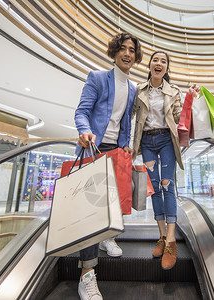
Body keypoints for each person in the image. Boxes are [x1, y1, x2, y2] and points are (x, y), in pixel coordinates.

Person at [74, 32, 142, 300]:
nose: (127, 53)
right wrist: (84, 130)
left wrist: (126, 144)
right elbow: (82, 111)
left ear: (136, 57)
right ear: (114, 52)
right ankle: (87, 275)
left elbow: (126, 122)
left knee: (113, 204)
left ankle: (106, 237)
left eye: (132, 50)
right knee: (91, 212)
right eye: (123, 49)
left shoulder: (133, 88)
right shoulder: (98, 78)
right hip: (93, 148)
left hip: (116, 152)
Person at [132, 51, 199, 270]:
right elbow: (130, 115)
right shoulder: (139, 90)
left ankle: (171, 240)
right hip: (147, 143)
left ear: (167, 68)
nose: (159, 63)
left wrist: (189, 98)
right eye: (155, 60)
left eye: (163, 61)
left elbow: (180, 117)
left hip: (166, 141)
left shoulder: (173, 91)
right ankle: (161, 236)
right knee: (154, 189)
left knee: (167, 186)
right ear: (150, 65)